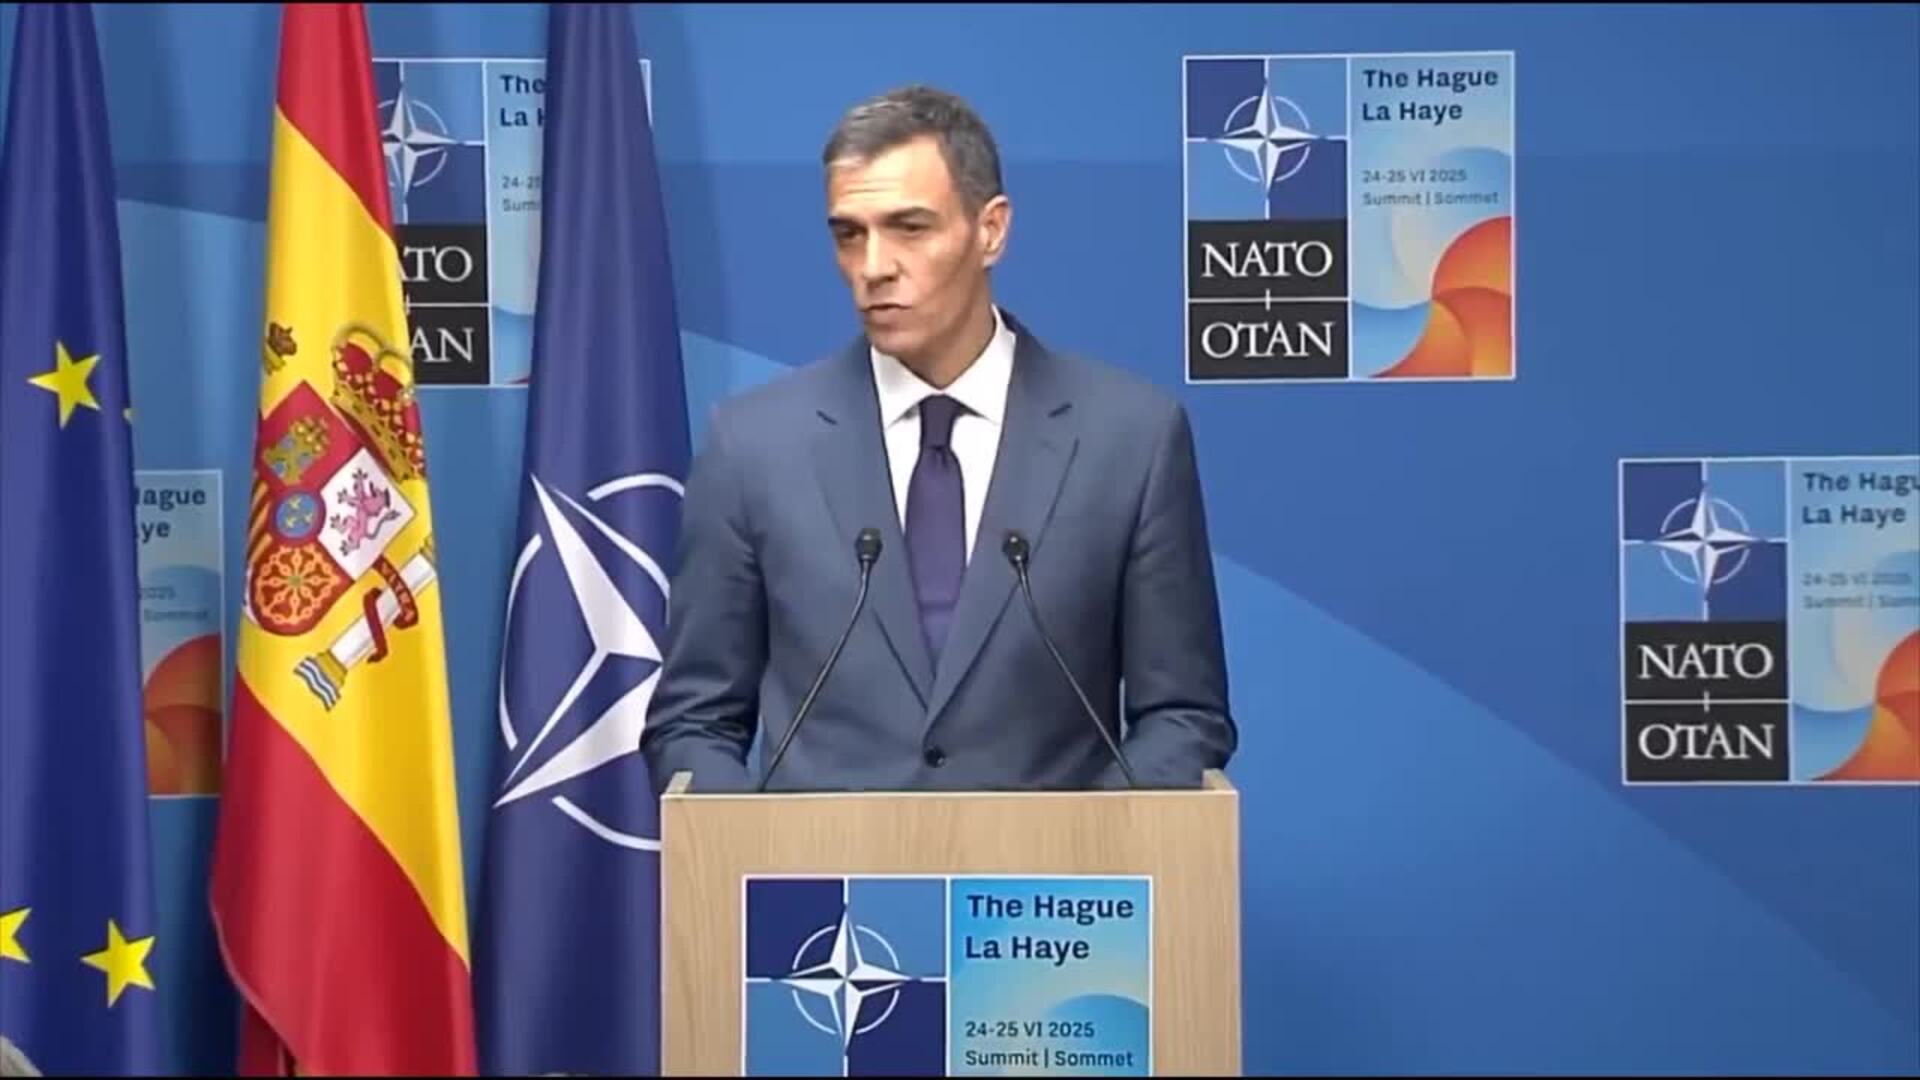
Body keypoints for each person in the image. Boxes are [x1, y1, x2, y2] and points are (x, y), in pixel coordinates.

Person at [641, 85, 1234, 792]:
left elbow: (1183, 717)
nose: (873, 267)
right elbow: (695, 723)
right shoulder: (751, 447)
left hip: (1049, 865)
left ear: (991, 231)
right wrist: (757, 847)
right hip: (822, 866)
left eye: (910, 228)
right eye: (849, 234)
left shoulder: (1130, 440)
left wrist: (1086, 842)